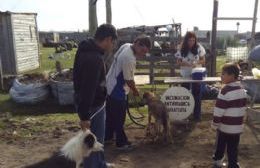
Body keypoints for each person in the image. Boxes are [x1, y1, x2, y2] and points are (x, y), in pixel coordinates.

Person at [73, 24, 117, 168]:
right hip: (93, 107)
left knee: (98, 140)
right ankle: (93, 165)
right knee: (92, 142)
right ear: (108, 39)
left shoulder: (85, 50)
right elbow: (88, 88)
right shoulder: (94, 58)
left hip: (89, 103)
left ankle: (100, 164)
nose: (113, 46)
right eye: (113, 42)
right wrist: (85, 116)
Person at [105, 35, 151, 150]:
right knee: (119, 117)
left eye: (145, 52)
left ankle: (107, 137)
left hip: (109, 84)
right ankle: (122, 143)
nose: (142, 54)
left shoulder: (126, 46)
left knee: (111, 115)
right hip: (117, 89)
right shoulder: (129, 57)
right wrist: (135, 91)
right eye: (142, 51)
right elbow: (128, 79)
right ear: (138, 43)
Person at [212, 63, 247, 168]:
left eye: (223, 74)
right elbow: (243, 108)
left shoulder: (224, 91)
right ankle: (233, 164)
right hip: (237, 127)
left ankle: (217, 161)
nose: (221, 76)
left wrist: (215, 124)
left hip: (224, 127)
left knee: (220, 145)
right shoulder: (242, 91)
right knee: (233, 147)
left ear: (231, 76)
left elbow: (218, 111)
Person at [175, 31, 206, 121]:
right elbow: (178, 62)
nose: (191, 42)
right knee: (185, 95)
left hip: (196, 74)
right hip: (185, 74)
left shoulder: (199, 47)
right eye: (189, 40)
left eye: (193, 40)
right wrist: (184, 63)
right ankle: (185, 115)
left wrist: (197, 62)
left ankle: (197, 116)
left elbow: (203, 60)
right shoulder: (181, 48)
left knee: (197, 94)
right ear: (186, 40)